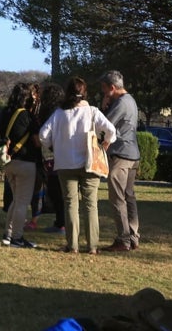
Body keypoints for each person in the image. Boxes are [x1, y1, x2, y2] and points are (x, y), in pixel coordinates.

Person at [38, 76, 116, 254]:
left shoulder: (59, 113)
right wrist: (105, 144)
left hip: (65, 164)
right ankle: (92, 246)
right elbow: (111, 130)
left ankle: (72, 245)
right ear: (84, 92)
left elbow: (43, 135)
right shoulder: (92, 112)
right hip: (90, 163)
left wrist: (53, 145)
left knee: (70, 204)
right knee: (90, 204)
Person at [99, 70, 140, 252]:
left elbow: (104, 124)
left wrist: (104, 106)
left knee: (117, 197)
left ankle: (123, 239)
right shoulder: (131, 100)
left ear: (112, 88)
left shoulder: (120, 103)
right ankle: (133, 236)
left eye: (105, 90)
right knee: (129, 196)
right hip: (133, 154)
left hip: (121, 155)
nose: (104, 94)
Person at [0, 82, 40, 249]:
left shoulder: (6, 113)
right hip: (26, 162)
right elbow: (36, 141)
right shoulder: (28, 117)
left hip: (8, 161)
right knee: (22, 201)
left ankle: (7, 234)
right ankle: (17, 237)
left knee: (16, 200)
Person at [38, 81, 66, 235]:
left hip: (51, 156)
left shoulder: (51, 113)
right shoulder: (60, 111)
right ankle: (61, 221)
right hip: (59, 156)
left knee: (56, 191)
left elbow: (43, 134)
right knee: (59, 190)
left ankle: (61, 223)